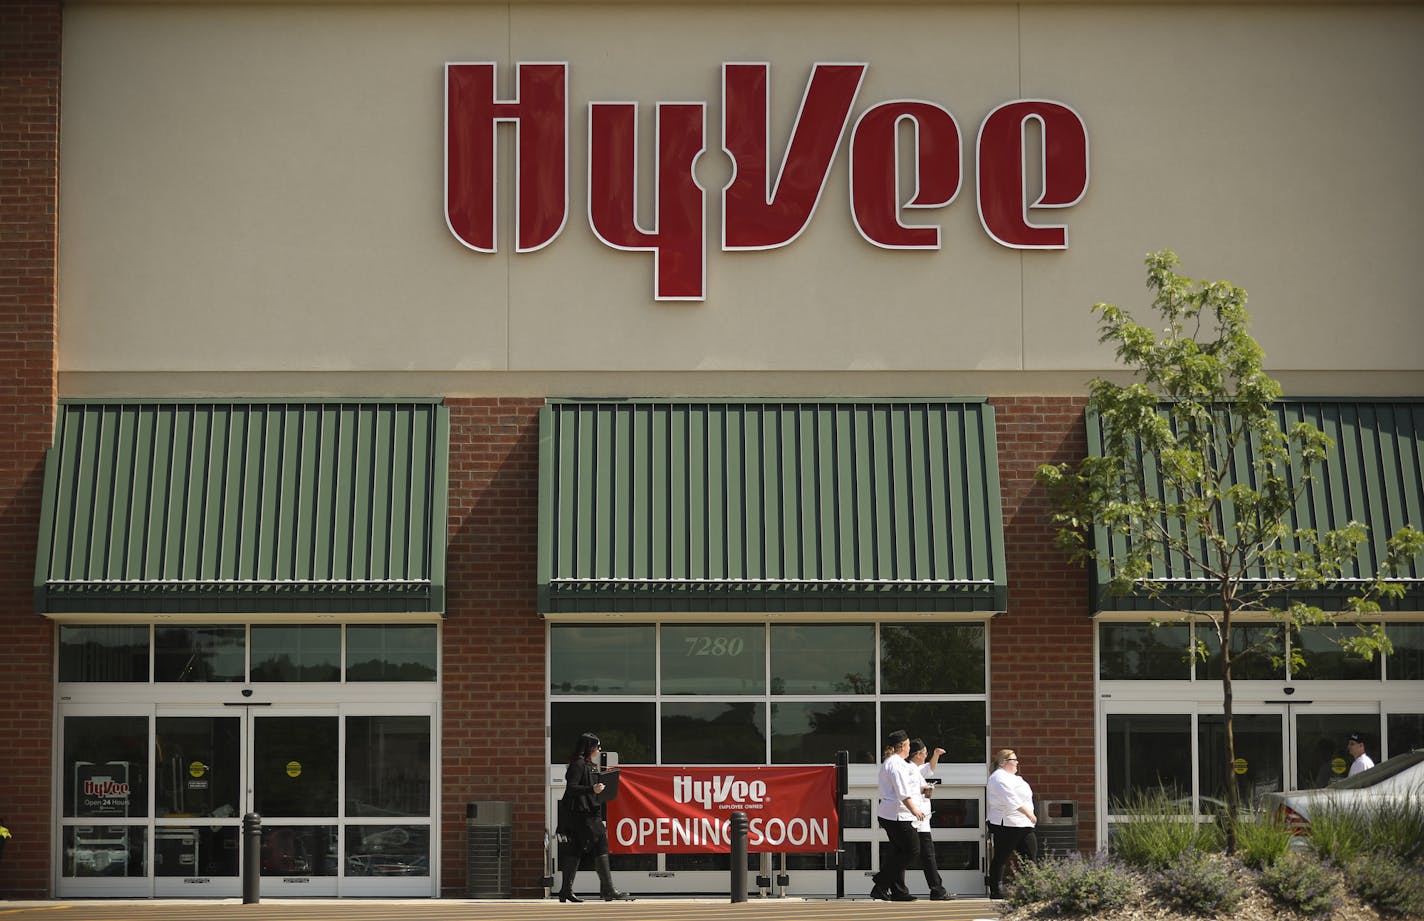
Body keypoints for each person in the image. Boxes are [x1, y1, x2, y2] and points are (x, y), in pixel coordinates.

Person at [556, 732, 628, 902]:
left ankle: (566, 890)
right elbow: (572, 787)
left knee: (576, 849)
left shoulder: (586, 764)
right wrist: (592, 789)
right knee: (601, 844)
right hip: (583, 815)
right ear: (589, 748)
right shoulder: (578, 765)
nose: (599, 750)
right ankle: (608, 890)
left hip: (585, 813)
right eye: (597, 746)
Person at [870, 729, 923, 902]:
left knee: (899, 852)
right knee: (912, 850)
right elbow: (902, 792)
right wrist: (914, 810)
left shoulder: (896, 762)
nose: (909, 749)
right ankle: (881, 881)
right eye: (908, 745)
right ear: (901, 746)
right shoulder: (895, 764)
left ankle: (898, 891)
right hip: (897, 815)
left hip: (894, 814)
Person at [985, 747, 1037, 900]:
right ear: (1003, 762)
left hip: (1024, 825)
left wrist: (1028, 817)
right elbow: (1010, 799)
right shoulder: (998, 777)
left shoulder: (1015, 778)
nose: (1017, 762)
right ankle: (996, 891)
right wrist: (1028, 813)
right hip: (1006, 824)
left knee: (1029, 857)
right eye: (1014, 760)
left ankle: (1032, 889)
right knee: (1001, 857)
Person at [907, 739, 953, 900]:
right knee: (921, 855)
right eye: (925, 753)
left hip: (921, 819)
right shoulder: (910, 770)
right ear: (918, 754)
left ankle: (936, 889)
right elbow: (907, 791)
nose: (926, 756)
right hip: (916, 819)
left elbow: (930, 768)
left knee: (912, 854)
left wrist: (936, 755)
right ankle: (936, 889)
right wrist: (925, 789)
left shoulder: (917, 769)